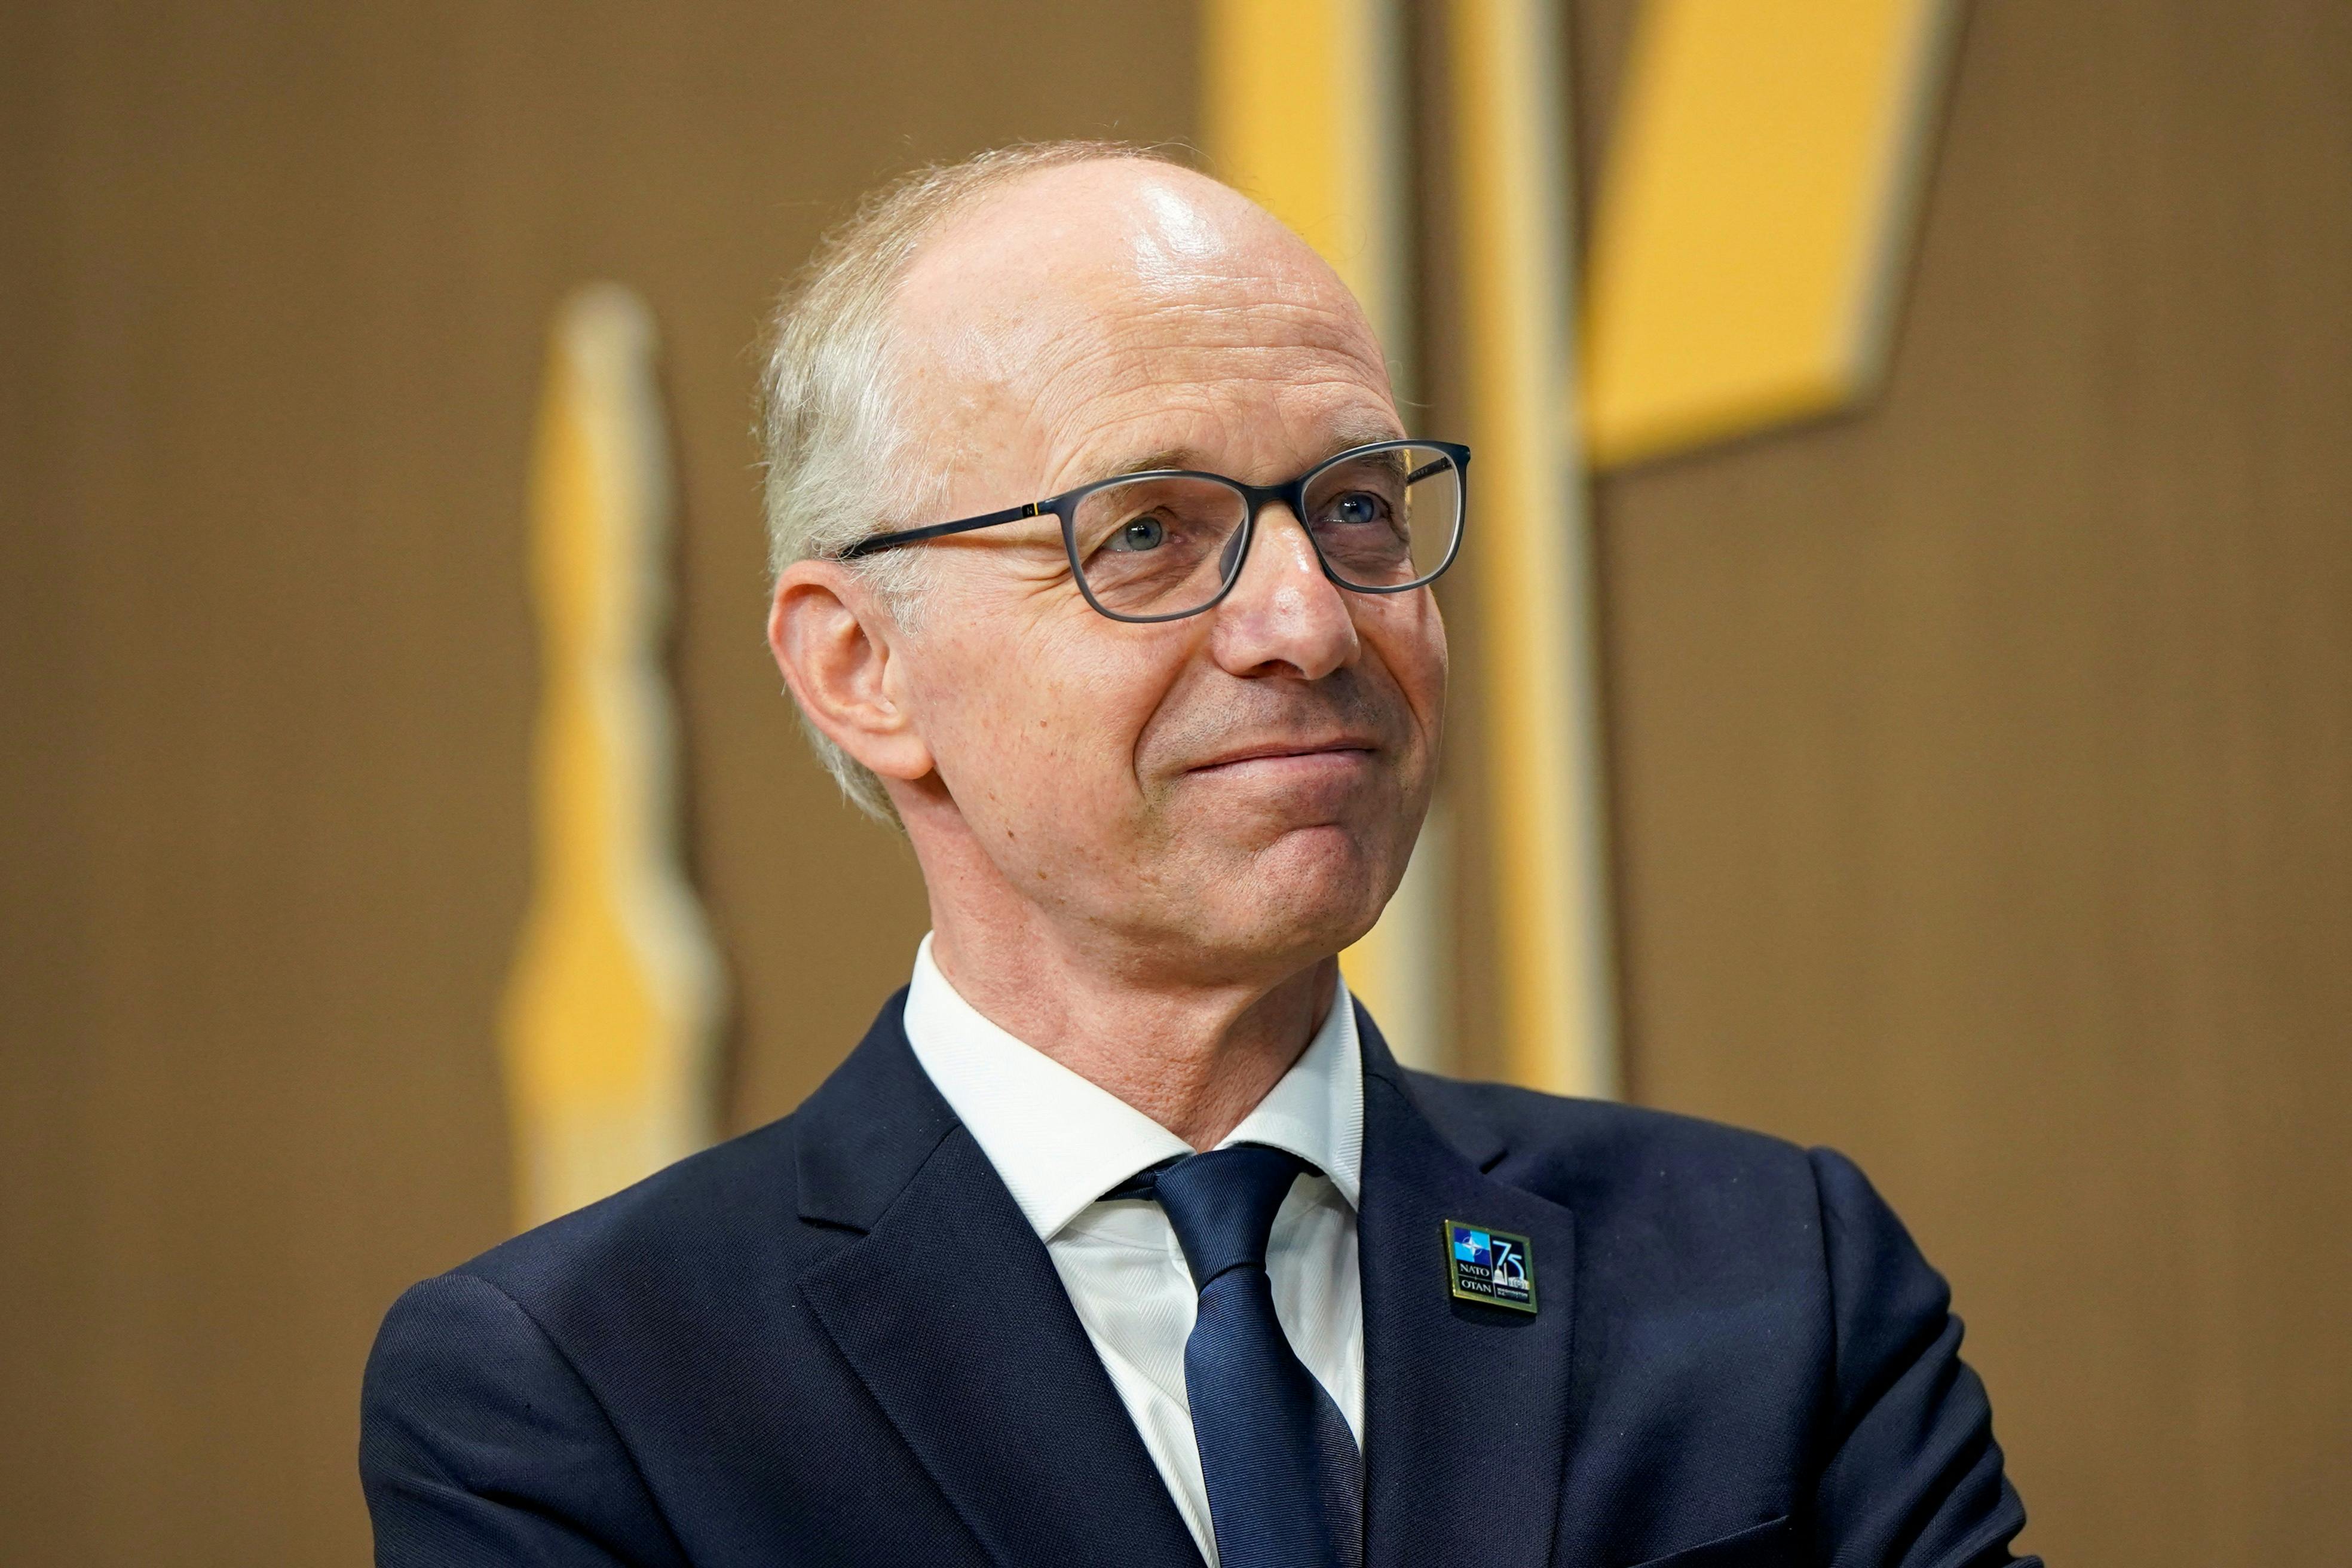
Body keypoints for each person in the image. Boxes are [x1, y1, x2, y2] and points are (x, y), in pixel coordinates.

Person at [361, 142, 2039, 1568]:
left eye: (1361, 506)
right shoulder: (582, 1392)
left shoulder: (1777, 1278)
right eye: (1149, 532)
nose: (1310, 621)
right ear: (862, 668)